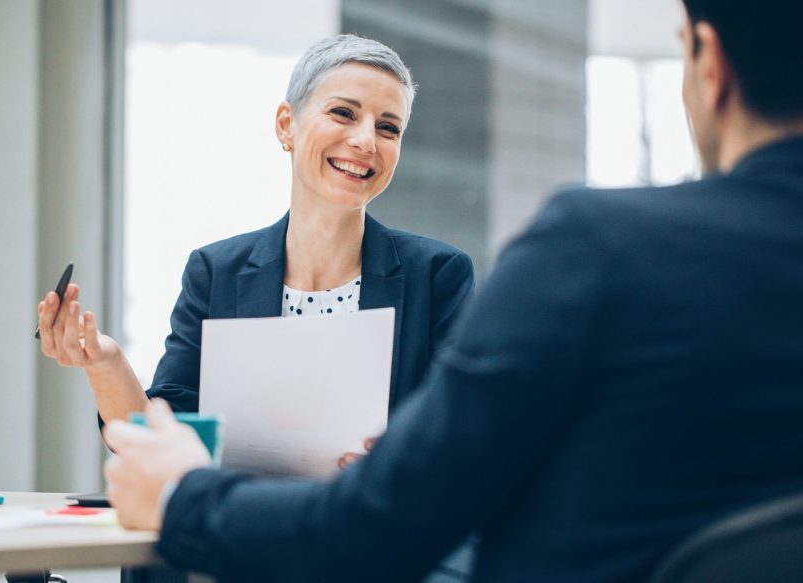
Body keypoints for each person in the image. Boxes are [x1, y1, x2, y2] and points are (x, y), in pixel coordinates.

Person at [103, 1, 803, 581]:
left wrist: (182, 498)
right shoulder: (218, 267)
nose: (365, 142)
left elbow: (383, 526)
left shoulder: (597, 250)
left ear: (709, 65)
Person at [36, 35, 475, 461]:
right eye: (343, 113)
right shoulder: (216, 272)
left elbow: (458, 431)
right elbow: (163, 438)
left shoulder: (436, 274)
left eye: (388, 127)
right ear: (287, 124)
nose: (366, 141)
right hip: (247, 526)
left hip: (372, 529)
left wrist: (394, 458)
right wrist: (106, 362)